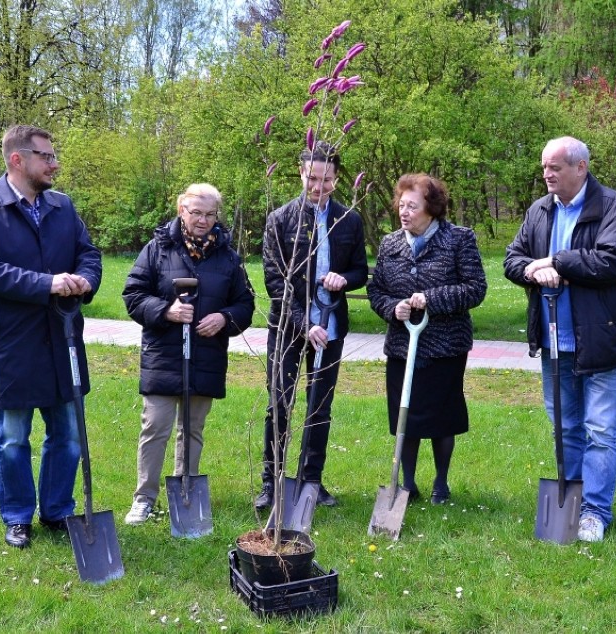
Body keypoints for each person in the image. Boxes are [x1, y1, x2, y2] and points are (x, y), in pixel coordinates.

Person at [0, 125, 102, 549]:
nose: (54, 163)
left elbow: (88, 254)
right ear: (17, 159)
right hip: (12, 345)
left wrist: (84, 280)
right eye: (46, 156)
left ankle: (57, 511)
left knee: (68, 434)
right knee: (13, 439)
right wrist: (47, 284)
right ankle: (18, 516)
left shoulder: (62, 205)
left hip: (62, 339)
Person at [503, 136, 616, 542]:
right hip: (554, 342)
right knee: (566, 429)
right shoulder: (540, 210)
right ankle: (574, 503)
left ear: (580, 167)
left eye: (555, 167)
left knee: (600, 430)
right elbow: (513, 259)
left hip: (604, 341)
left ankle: (596, 512)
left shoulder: (615, 207)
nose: (547, 174)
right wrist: (532, 271)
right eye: (544, 167)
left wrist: (558, 262)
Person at [122, 183, 254, 525]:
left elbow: (246, 305)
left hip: (206, 358)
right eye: (196, 213)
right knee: (156, 427)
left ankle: (185, 492)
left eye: (210, 214)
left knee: (192, 429)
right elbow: (133, 295)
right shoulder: (158, 248)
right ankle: (144, 498)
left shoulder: (228, 257)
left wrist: (223, 318)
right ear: (182, 210)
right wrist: (166, 311)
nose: (203, 220)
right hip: (163, 356)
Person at [256, 141, 368, 510]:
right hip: (289, 330)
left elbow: (360, 271)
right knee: (280, 404)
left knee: (319, 407)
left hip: (331, 327)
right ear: (301, 174)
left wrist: (344, 279)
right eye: (312, 178)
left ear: (337, 179)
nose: (319, 186)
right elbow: (276, 282)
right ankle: (272, 484)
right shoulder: (280, 220)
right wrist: (304, 324)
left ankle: (311, 482)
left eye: (328, 179)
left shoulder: (349, 219)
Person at [367, 173, 487, 504]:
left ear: (431, 208)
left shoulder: (459, 239)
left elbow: (475, 288)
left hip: (445, 346)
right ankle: (407, 483)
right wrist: (394, 308)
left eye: (412, 206)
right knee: (404, 413)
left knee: (441, 415)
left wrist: (430, 299)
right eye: (401, 205)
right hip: (402, 346)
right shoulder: (390, 243)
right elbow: (376, 290)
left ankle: (441, 482)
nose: (404, 212)